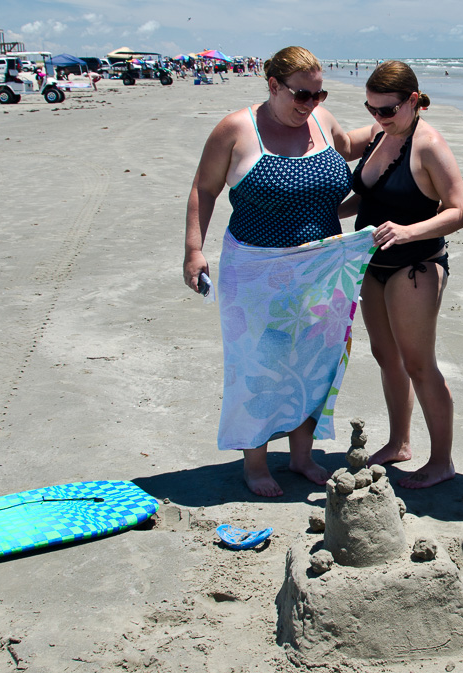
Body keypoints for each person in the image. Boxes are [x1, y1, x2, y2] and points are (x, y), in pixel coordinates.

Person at [183, 45, 353, 497]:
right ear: (273, 85)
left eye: (318, 94)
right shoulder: (237, 129)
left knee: (316, 363)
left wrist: (402, 125)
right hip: (257, 270)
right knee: (257, 364)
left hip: (324, 268)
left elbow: (359, 150)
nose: (310, 104)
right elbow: (204, 188)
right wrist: (193, 250)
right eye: (301, 95)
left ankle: (301, 456)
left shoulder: (322, 120)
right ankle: (255, 462)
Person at [337, 61, 463, 489]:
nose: (378, 117)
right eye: (371, 109)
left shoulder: (428, 145)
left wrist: (409, 230)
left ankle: (442, 460)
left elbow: (459, 210)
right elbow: (345, 160)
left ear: (413, 100)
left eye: (387, 110)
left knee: (418, 363)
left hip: (416, 265)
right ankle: (399, 442)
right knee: (384, 355)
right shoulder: (379, 135)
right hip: (371, 263)